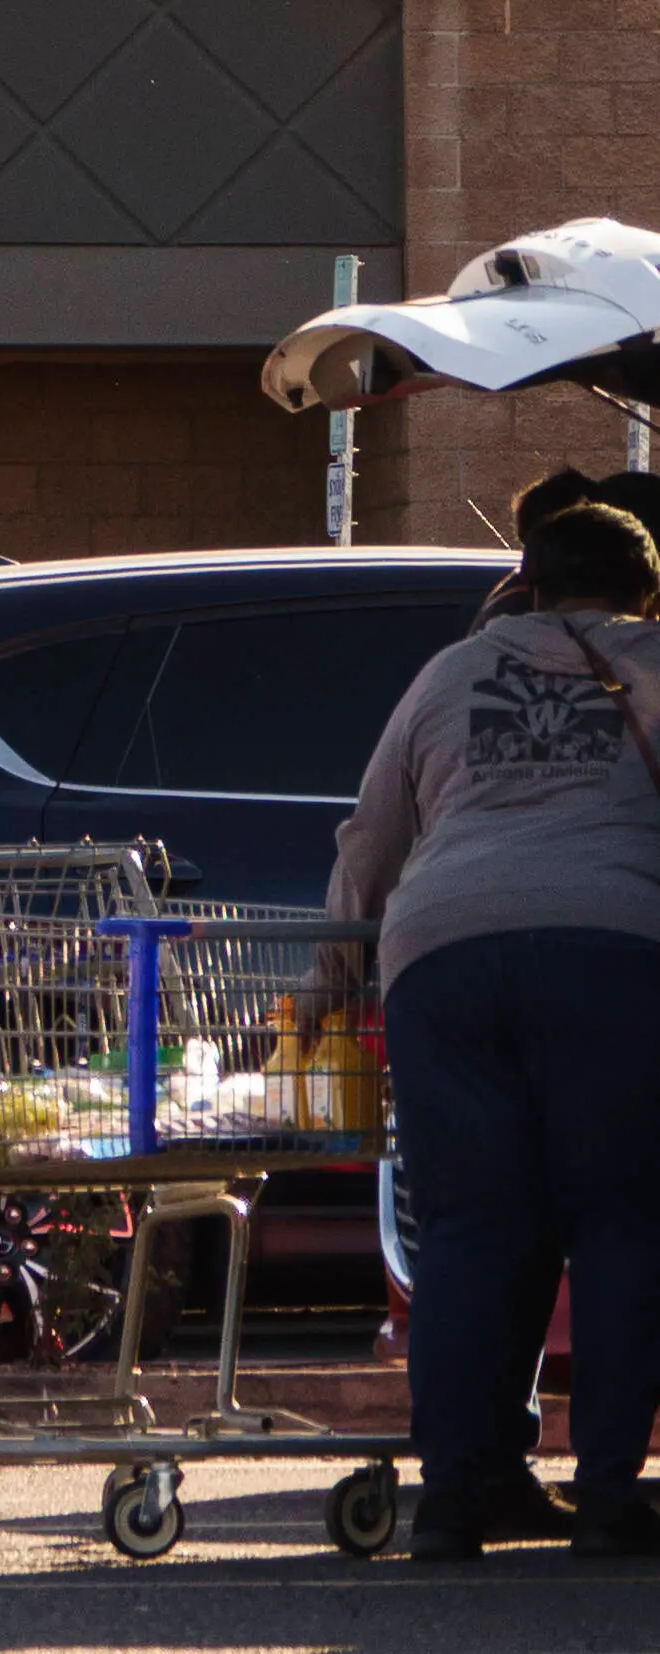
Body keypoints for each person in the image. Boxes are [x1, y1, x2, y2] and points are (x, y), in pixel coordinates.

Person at [329, 499, 660, 1558]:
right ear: (643, 592)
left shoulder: (446, 674)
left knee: (472, 1227)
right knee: (621, 1221)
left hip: (442, 963)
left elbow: (372, 834)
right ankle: (609, 1492)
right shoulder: (656, 660)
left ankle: (463, 1490)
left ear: (530, 581)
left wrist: (327, 977)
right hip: (614, 953)